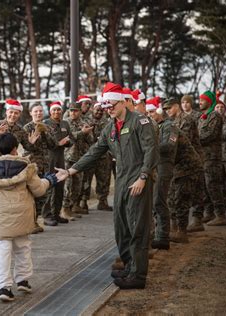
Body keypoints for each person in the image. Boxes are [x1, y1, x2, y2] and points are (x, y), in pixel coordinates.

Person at [56, 82, 158, 290]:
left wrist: (144, 177)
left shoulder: (140, 121)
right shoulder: (110, 128)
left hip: (138, 181)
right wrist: (70, 171)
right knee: (121, 227)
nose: (108, 108)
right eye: (105, 105)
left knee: (137, 227)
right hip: (121, 181)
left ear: (122, 102)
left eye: (111, 104)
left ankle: (138, 276)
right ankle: (130, 266)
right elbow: (94, 152)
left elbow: (151, 150)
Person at [0, 133, 57, 301]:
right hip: (23, 215)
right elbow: (38, 190)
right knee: (23, 247)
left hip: (0, 217)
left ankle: (4, 288)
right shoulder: (26, 167)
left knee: (3, 252)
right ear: (15, 148)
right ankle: (22, 279)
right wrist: (50, 181)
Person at [163, 99, 204, 243]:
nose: (167, 111)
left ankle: (182, 231)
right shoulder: (171, 123)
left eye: (169, 108)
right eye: (165, 109)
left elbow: (176, 145)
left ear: (176, 106)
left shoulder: (186, 120)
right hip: (179, 164)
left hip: (188, 164)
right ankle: (176, 228)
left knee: (182, 197)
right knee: (174, 196)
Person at [194, 90, 226, 226]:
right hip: (203, 156)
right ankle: (209, 213)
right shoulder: (203, 116)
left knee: (213, 185)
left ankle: (221, 215)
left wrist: (194, 140)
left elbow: (210, 135)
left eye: (202, 100)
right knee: (205, 186)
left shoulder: (215, 116)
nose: (200, 102)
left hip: (212, 157)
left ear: (209, 101)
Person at [146, 101, 177, 250]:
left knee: (159, 201)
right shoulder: (156, 127)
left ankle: (163, 236)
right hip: (156, 165)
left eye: (152, 112)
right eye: (148, 113)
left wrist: (151, 147)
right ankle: (159, 234)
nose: (150, 115)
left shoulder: (169, 126)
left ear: (159, 112)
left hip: (164, 166)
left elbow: (169, 146)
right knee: (155, 201)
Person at [22, 103, 58, 233]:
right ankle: (30, 222)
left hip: (45, 165)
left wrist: (45, 132)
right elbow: (27, 147)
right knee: (30, 194)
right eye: (36, 111)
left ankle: (35, 220)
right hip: (32, 166)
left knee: (42, 194)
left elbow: (53, 145)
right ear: (31, 113)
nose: (38, 113)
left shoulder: (47, 127)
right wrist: (37, 133)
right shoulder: (27, 128)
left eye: (40, 111)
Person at [43, 101, 74, 226]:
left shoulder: (65, 123)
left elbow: (71, 138)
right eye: (54, 110)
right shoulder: (46, 124)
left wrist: (67, 143)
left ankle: (57, 213)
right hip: (49, 158)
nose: (56, 112)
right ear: (50, 112)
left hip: (61, 157)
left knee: (60, 186)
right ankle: (46, 215)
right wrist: (59, 143)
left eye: (58, 110)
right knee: (48, 186)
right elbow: (46, 142)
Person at [62, 102, 93, 220]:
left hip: (80, 159)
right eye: (71, 110)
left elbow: (91, 140)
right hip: (68, 158)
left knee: (77, 185)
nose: (73, 113)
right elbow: (67, 138)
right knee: (67, 185)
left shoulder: (84, 123)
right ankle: (64, 209)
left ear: (80, 111)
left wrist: (88, 133)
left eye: (75, 110)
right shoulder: (65, 123)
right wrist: (81, 133)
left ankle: (73, 206)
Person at [81, 102, 113, 212]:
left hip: (104, 156)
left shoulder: (107, 121)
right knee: (86, 179)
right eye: (97, 110)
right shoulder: (85, 120)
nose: (99, 112)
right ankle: (83, 202)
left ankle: (102, 201)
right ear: (92, 110)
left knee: (104, 179)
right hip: (90, 154)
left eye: (101, 110)